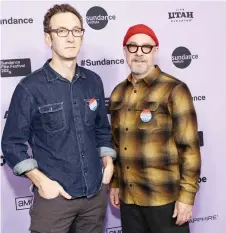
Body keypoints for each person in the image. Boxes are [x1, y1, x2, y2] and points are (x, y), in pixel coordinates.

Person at [1, 4, 116, 233]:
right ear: (48, 38)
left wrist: (109, 163)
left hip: (95, 196)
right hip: (54, 201)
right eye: (61, 31)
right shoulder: (30, 88)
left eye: (76, 31)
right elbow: (11, 143)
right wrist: (41, 181)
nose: (70, 37)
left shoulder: (93, 81)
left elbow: (102, 129)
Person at [109, 24, 201, 233]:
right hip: (129, 200)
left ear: (155, 51)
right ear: (125, 51)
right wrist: (115, 182)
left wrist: (186, 197)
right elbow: (115, 144)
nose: (139, 53)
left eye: (146, 47)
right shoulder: (117, 94)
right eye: (133, 47)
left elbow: (190, 149)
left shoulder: (174, 89)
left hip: (164, 201)